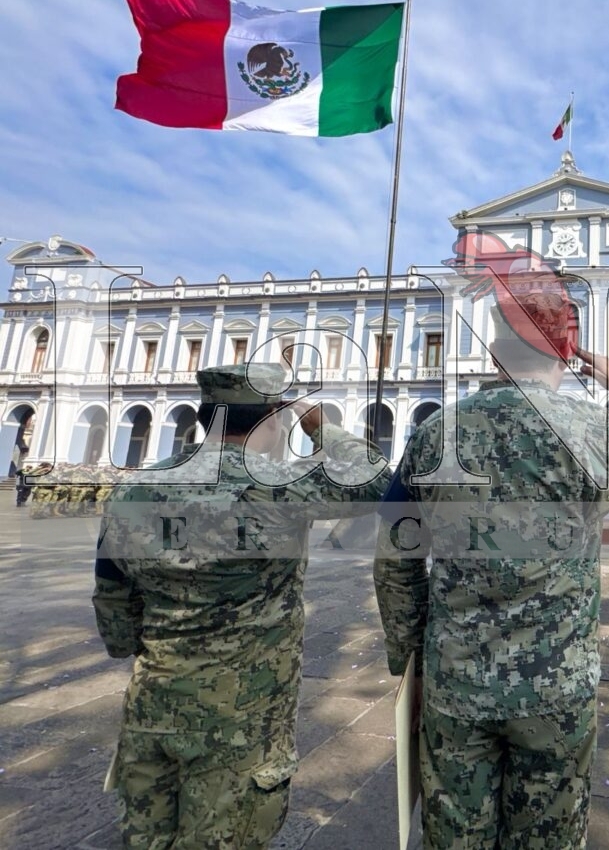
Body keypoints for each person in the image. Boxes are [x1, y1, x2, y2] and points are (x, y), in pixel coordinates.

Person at [373, 276, 609, 848]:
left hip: (456, 679)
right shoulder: (596, 431)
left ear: (492, 349)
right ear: (566, 351)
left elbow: (395, 555)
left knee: (454, 835)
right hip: (556, 687)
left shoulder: (435, 434)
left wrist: (409, 657)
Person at [93, 363, 391, 849]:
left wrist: (127, 644)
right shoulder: (276, 486)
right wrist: (322, 428)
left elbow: (111, 585)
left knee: (145, 838)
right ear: (271, 420)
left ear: (201, 416)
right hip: (241, 715)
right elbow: (375, 482)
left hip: (154, 700)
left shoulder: (134, 487)